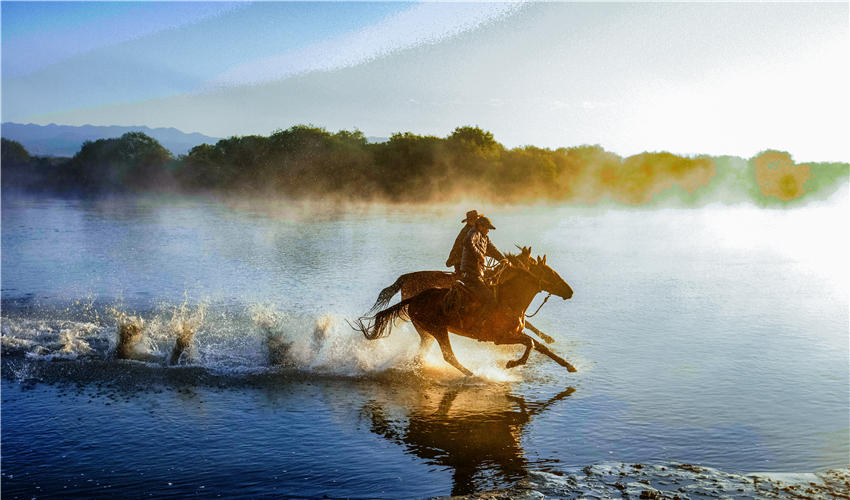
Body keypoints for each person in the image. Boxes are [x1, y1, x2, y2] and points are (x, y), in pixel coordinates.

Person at [459, 215, 503, 317]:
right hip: (471, 273)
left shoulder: (485, 237)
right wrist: (480, 256)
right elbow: (467, 242)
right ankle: (481, 323)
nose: (488, 230)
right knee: (490, 298)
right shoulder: (474, 233)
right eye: (487, 228)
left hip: (477, 272)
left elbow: (493, 250)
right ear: (480, 226)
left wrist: (504, 260)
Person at [446, 210, 480, 274]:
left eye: (476, 219)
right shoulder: (468, 232)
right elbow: (468, 247)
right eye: (474, 220)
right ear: (470, 221)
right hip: (460, 262)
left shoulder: (475, 230)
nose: (476, 221)